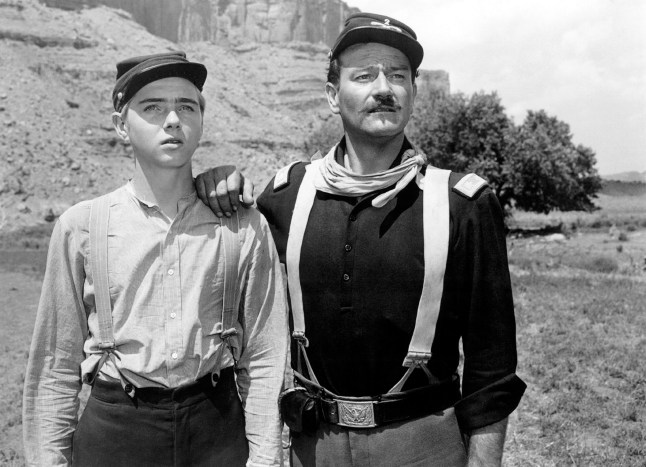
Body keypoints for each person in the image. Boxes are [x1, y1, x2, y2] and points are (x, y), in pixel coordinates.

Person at [197, 12, 526, 466]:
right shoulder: (286, 197)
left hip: (423, 445)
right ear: (333, 95)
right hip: (315, 448)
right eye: (364, 75)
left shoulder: (461, 204)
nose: (384, 88)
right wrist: (215, 184)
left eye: (397, 75)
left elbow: (492, 366)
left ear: (413, 91)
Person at [23, 51, 289, 467]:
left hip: (216, 429)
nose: (172, 119)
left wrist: (266, 458)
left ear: (201, 121)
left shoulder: (243, 226)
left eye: (186, 106)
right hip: (115, 432)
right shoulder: (82, 227)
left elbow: (265, 356)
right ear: (120, 126)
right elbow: (55, 366)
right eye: (152, 107)